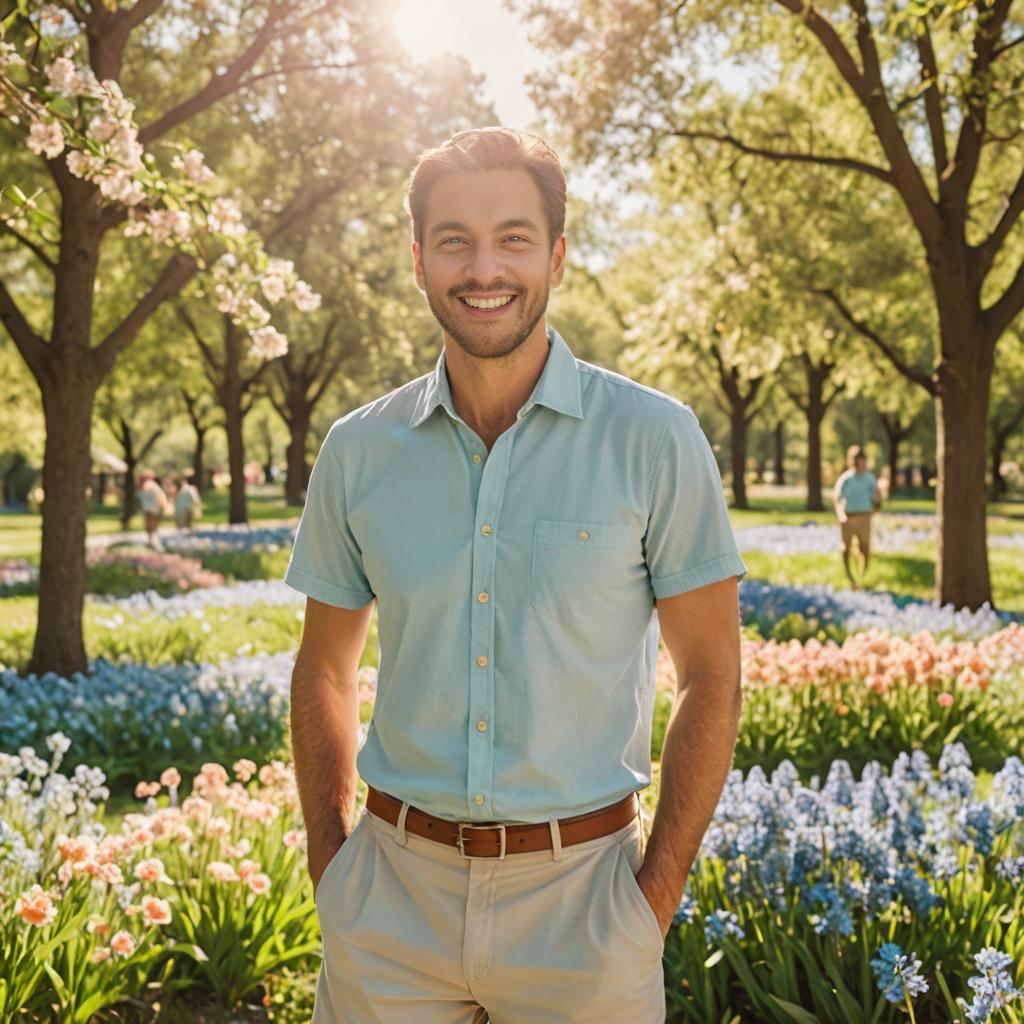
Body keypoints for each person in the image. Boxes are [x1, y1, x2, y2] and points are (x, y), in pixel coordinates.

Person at [283, 127, 749, 1024]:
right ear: (419, 260)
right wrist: (332, 865)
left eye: (513, 238)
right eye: (454, 239)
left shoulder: (654, 439)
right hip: (389, 903)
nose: (482, 267)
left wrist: (649, 903)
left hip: (587, 911)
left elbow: (712, 676)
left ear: (558, 257)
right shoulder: (357, 450)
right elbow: (324, 669)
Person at [833, 444, 881, 589]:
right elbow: (837, 498)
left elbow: (877, 498)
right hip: (849, 516)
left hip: (864, 516)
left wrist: (877, 500)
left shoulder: (870, 479)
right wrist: (841, 515)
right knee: (845, 548)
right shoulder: (846, 479)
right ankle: (849, 577)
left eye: (862, 462)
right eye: (857, 462)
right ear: (851, 462)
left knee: (865, 547)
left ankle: (862, 577)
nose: (860, 465)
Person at [137, 470, 168, 547]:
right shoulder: (150, 484)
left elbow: (158, 496)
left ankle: (151, 541)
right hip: (152, 508)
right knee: (151, 525)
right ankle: (151, 541)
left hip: (152, 507)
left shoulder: (149, 484)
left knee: (151, 524)